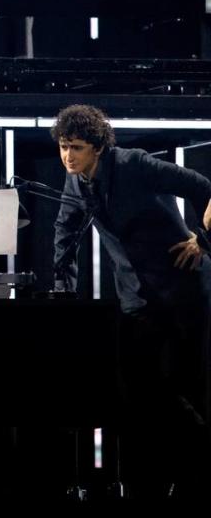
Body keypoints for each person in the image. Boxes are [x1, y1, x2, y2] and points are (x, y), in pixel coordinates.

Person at [51, 104, 211, 500]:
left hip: (182, 291)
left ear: (99, 148)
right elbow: (65, 231)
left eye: (77, 148)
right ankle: (165, 476)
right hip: (134, 297)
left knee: (185, 385)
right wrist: (62, 286)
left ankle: (196, 475)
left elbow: (204, 187)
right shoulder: (75, 180)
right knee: (140, 392)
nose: (68, 156)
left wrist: (202, 242)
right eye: (63, 147)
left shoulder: (135, 164)